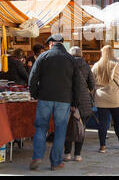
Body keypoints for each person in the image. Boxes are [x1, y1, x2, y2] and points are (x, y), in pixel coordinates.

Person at [28, 34, 81, 171]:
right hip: (64, 100)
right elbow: (77, 84)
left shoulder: (43, 57)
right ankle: (56, 162)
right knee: (60, 131)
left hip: (45, 97)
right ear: (62, 44)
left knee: (41, 128)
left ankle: (37, 157)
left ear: (51, 44)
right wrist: (75, 103)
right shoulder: (71, 59)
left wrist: (35, 94)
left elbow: (32, 78)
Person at [92, 45, 119, 153]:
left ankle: (102, 146)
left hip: (100, 97)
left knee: (102, 122)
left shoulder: (96, 65)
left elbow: (91, 79)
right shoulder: (117, 64)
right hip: (115, 98)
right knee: (118, 121)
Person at [63, 46, 94, 162]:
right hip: (84, 101)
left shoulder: (67, 65)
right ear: (81, 54)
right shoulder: (86, 65)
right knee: (81, 128)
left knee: (68, 127)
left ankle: (67, 153)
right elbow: (92, 84)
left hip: (69, 99)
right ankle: (78, 155)